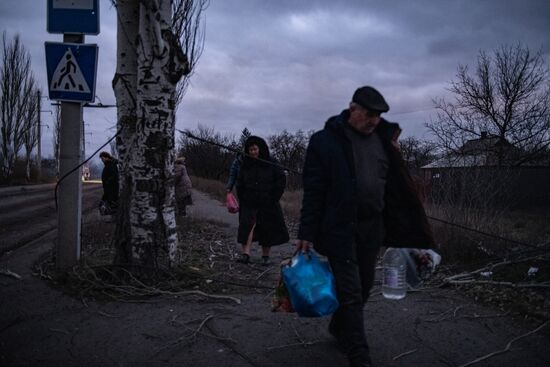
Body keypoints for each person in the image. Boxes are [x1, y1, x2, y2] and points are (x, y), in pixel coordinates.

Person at [295, 86, 434, 367]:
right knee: (351, 291)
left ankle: (338, 327)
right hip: (340, 227)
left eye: (378, 116)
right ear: (352, 109)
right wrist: (306, 233)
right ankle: (360, 356)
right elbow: (314, 190)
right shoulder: (325, 141)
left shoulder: (383, 142)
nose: (373, 120)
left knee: (365, 285)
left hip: (373, 227)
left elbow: (396, 187)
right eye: (369, 114)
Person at [236, 136, 289, 266]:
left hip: (268, 202)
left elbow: (281, 180)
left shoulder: (272, 163)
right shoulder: (245, 165)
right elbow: (240, 182)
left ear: (260, 149)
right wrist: (242, 197)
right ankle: (246, 254)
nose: (253, 152)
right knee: (247, 227)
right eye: (250, 150)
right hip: (249, 202)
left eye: (255, 149)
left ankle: (265, 256)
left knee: (267, 228)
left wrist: (273, 197)